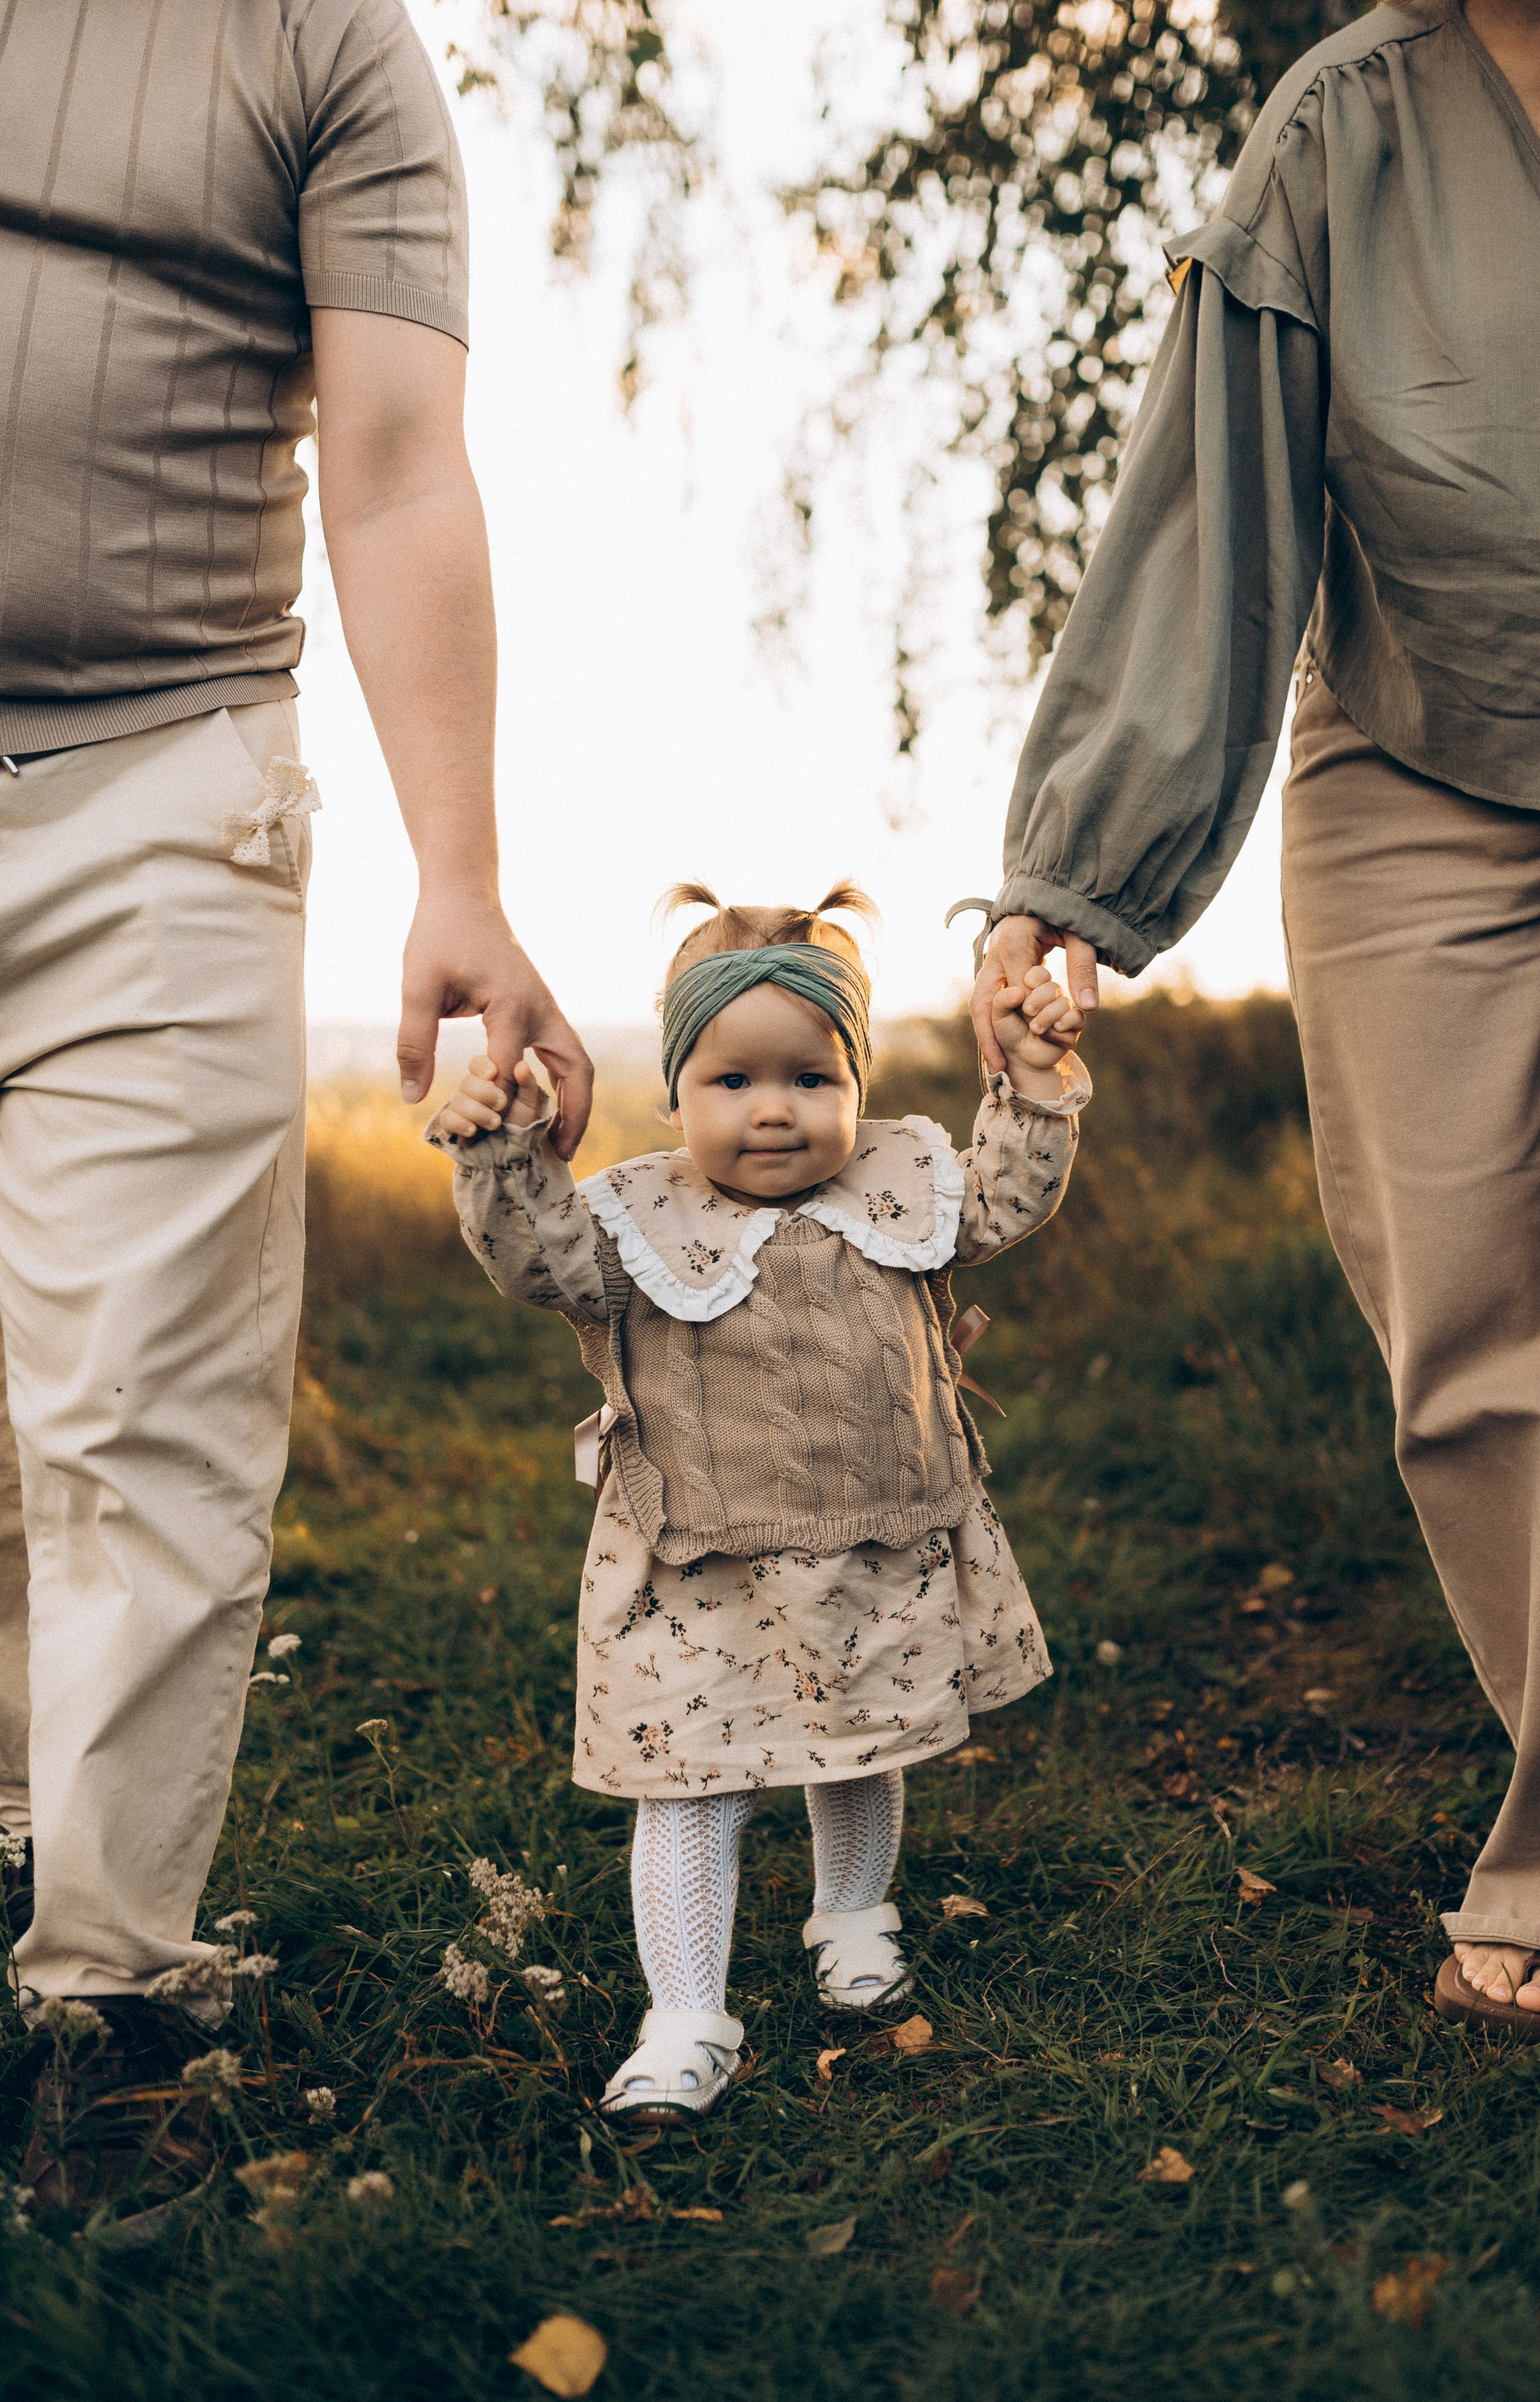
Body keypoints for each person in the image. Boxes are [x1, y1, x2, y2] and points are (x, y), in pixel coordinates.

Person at [0, 0, 589, 2220]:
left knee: (136, 1390)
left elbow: (402, 457)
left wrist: (459, 867)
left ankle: (112, 1996)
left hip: (165, 783)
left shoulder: (328, 46)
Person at [966, 0, 1540, 2036]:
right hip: (1423, 769)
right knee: (1479, 1315)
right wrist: (1080, 872)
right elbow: (1211, 503)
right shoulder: (1350, 130)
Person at [429, 883, 1087, 2120]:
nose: (772, 1108)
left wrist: (1038, 1071)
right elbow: (534, 1263)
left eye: (809, 1077)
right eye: (731, 1081)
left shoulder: (901, 1186)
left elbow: (1007, 1194)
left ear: (855, 1080)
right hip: (695, 1567)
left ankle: (852, 1914)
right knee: (690, 1781)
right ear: (677, 1086)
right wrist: (499, 1150)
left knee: (860, 1743)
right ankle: (686, 2013)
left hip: (873, 1542)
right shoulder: (636, 1217)